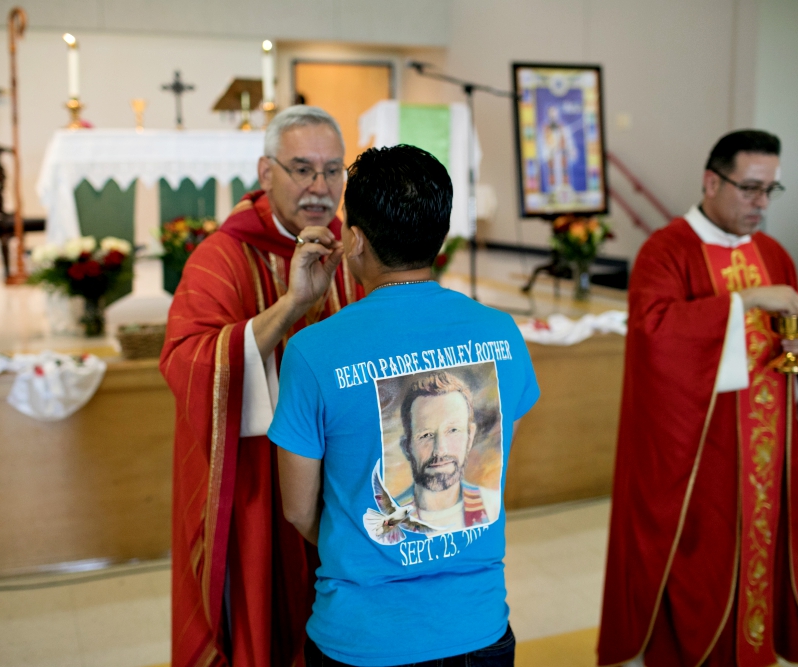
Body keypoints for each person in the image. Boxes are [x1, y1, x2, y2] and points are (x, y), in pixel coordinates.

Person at [268, 144, 540, 666]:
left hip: (362, 636)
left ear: (356, 240)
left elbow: (299, 510)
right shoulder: (500, 333)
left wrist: (368, 538)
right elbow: (495, 466)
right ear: (440, 234)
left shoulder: (312, 350)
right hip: (477, 628)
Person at [597, 130, 798, 667]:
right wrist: (743, 301)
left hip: (764, 463)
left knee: (757, 563)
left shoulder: (774, 253)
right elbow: (654, 337)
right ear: (711, 181)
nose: (762, 204)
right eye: (750, 189)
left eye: (772, 189)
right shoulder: (666, 250)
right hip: (700, 459)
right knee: (697, 567)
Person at [159, 105, 362, 667]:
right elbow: (185, 361)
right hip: (258, 488)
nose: (320, 188)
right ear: (265, 171)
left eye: (333, 171)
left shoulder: (355, 252)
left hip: (344, 484)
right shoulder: (221, 256)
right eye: (302, 169)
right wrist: (293, 305)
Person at [393, 371, 500, 532]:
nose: (440, 450)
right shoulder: (389, 517)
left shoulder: (491, 505)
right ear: (406, 446)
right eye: (426, 435)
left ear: (470, 437)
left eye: (453, 431)